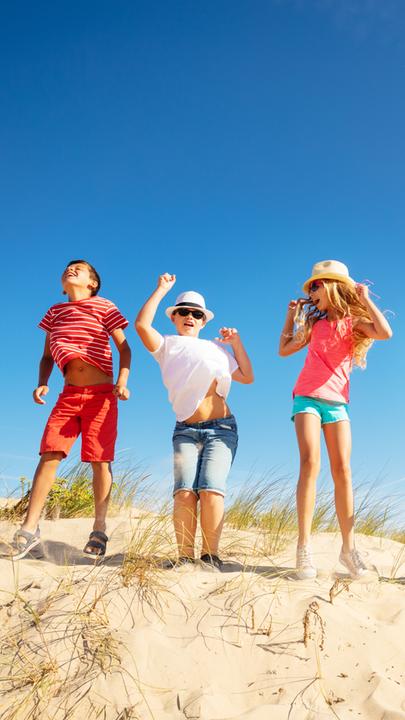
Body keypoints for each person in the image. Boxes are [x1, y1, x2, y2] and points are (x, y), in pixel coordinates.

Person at [279, 260, 392, 580]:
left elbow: (385, 332)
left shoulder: (354, 321)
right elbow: (284, 349)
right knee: (310, 462)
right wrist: (290, 316)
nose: (312, 292)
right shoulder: (314, 326)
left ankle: (348, 549)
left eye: (316, 286)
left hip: (337, 404)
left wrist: (365, 297)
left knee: (343, 470)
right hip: (306, 398)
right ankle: (304, 548)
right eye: (310, 287)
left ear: (332, 286)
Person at [12, 259, 131, 560]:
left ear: (92, 282)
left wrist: (122, 381)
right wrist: (42, 383)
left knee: (99, 460)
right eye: (68, 268)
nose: (71, 270)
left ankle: (99, 528)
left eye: (80, 269)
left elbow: (125, 348)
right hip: (68, 395)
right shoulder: (55, 312)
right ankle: (29, 528)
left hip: (102, 394)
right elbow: (47, 356)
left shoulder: (104, 306)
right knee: (49, 453)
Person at [135, 273, 254, 570]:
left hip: (222, 428)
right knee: (185, 491)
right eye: (184, 312)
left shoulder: (218, 350)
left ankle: (210, 557)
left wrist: (236, 343)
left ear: (203, 321)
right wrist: (162, 289)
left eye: (196, 313)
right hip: (185, 430)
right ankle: (185, 558)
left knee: (212, 489)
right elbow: (141, 326)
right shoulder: (167, 345)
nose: (190, 316)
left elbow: (247, 376)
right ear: (174, 317)